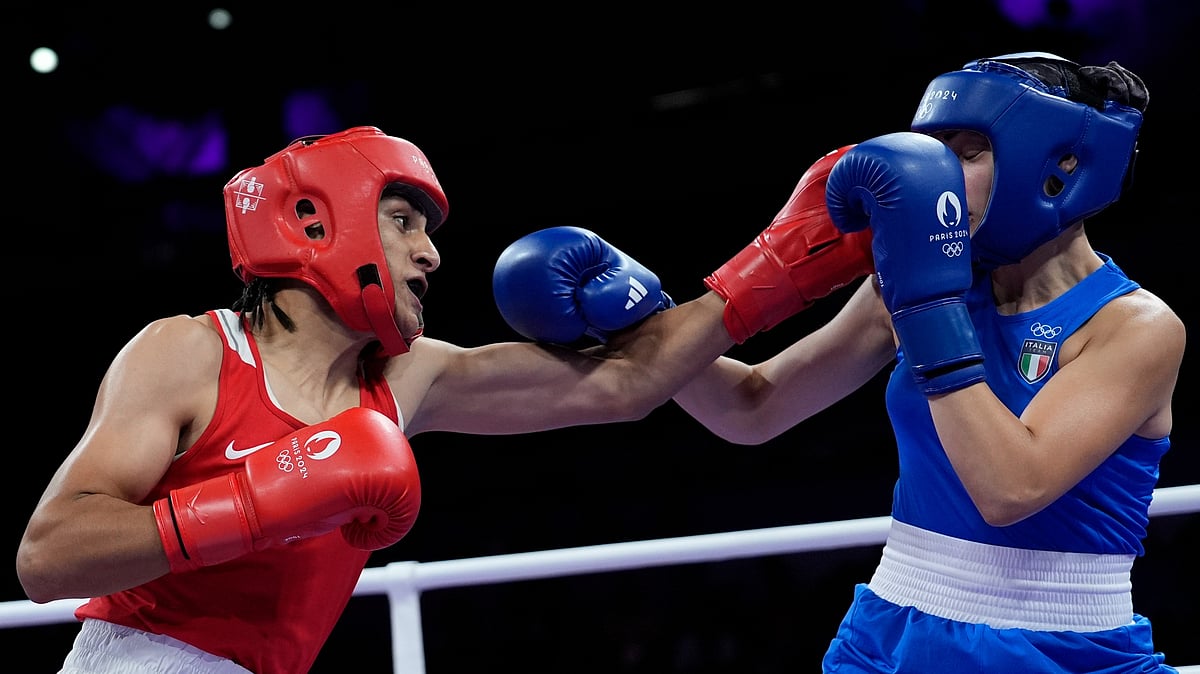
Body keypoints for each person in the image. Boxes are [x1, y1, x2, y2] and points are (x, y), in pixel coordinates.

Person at [15, 125, 874, 673]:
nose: (430, 255)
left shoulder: (406, 377)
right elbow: (46, 558)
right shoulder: (189, 352)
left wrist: (772, 271)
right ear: (319, 223)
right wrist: (254, 498)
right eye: (405, 223)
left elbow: (626, 385)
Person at [667, 52, 1185, 672]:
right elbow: (752, 408)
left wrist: (925, 305)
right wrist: (643, 321)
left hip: (1056, 646)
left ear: (1059, 165)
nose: (936, 178)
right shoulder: (917, 285)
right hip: (890, 626)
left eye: (967, 154)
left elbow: (1010, 487)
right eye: (933, 153)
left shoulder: (1135, 328)